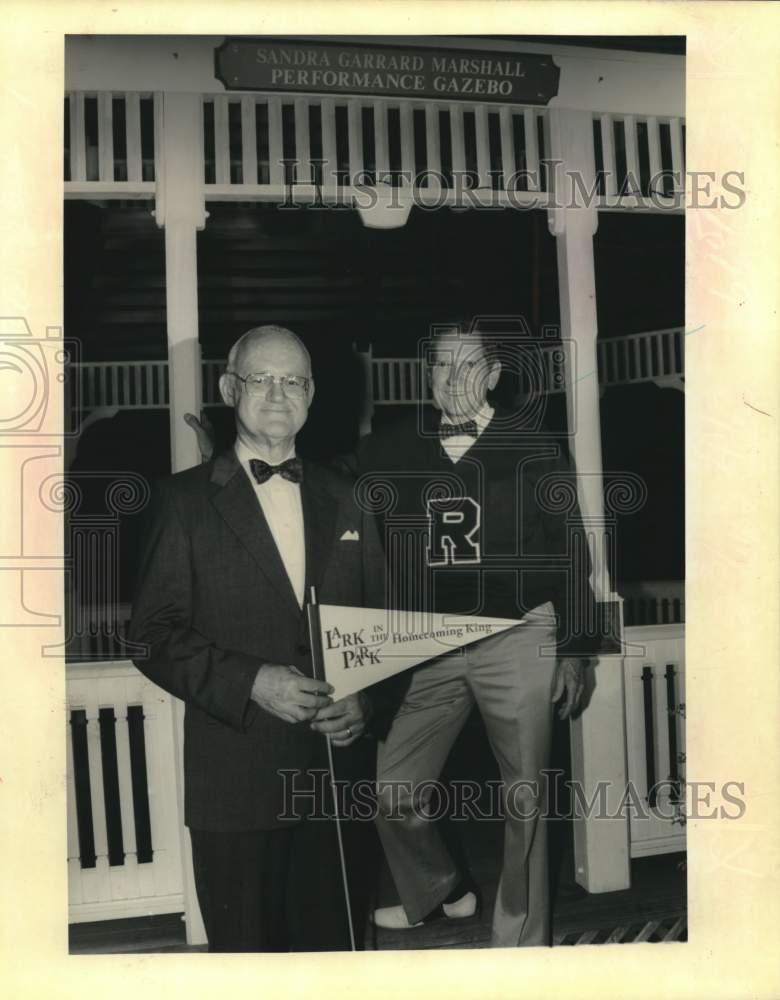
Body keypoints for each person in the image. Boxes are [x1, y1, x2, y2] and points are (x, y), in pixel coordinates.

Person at [129, 325, 387, 952]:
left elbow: (382, 626)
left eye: (293, 380)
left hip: (334, 783)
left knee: (338, 964)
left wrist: (367, 698)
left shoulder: (350, 498)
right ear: (229, 389)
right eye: (261, 379)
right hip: (236, 787)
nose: (278, 393)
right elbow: (151, 637)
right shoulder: (181, 501)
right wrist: (252, 681)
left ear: (312, 394)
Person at [358, 323, 600, 948]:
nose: (454, 380)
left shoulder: (535, 445)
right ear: (428, 375)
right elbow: (349, 530)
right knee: (391, 794)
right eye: (443, 366)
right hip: (428, 643)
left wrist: (573, 649)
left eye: (469, 367)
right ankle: (439, 888)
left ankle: (519, 946)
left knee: (525, 796)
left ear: (493, 375)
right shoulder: (389, 448)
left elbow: (571, 549)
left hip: (520, 633)